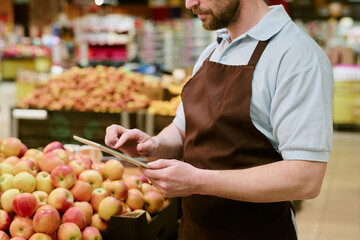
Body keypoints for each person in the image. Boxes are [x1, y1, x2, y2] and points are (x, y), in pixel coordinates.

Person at [105, 0, 333, 239]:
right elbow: (183, 130)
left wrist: (198, 181)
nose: (190, 3)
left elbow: (305, 178)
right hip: (194, 230)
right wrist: (153, 145)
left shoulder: (296, 56)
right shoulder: (213, 51)